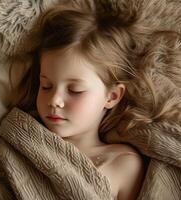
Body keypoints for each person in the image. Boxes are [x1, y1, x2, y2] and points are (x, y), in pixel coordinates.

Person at [11, 4, 148, 200]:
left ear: (112, 96)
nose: (54, 101)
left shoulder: (122, 164)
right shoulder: (22, 139)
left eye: (75, 90)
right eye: (46, 86)